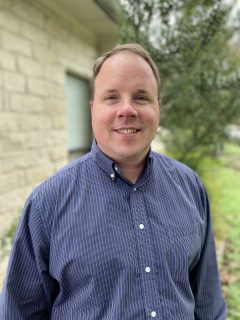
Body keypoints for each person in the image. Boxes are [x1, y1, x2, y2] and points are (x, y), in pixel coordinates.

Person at [0, 43, 226, 319]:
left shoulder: (190, 188)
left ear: (158, 107)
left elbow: (209, 306)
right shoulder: (47, 204)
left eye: (141, 97)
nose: (127, 110)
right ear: (93, 108)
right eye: (112, 98)